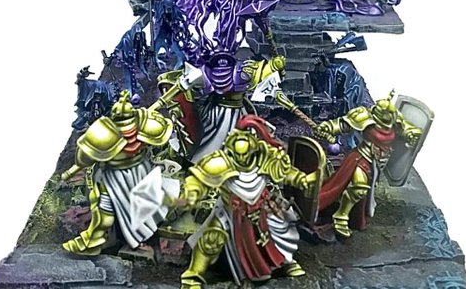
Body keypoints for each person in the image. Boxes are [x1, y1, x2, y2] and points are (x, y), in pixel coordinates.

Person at [179, 115, 318, 289]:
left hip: (262, 207)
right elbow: (199, 179)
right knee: (211, 238)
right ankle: (193, 275)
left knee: (281, 231)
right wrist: (192, 192)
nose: (242, 159)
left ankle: (286, 262)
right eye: (238, 155)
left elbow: (285, 173)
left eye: (245, 155)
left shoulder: (265, 157)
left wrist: (301, 180)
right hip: (230, 211)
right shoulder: (220, 162)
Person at [61, 90, 177, 255]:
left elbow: (83, 159)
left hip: (134, 174)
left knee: (136, 209)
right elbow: (84, 158)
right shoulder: (135, 123)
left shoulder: (130, 124)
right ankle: (94, 242)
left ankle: (105, 241)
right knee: (106, 211)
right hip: (124, 175)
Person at [316, 92, 421, 237]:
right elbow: (343, 124)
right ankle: (341, 217)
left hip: (377, 164)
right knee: (359, 188)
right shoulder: (365, 116)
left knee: (366, 191)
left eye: (389, 114)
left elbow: (407, 129)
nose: (388, 117)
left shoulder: (394, 119)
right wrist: (328, 127)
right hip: (361, 157)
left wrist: (411, 135)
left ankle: (352, 214)